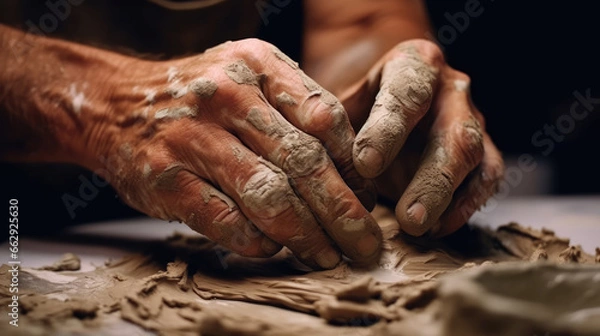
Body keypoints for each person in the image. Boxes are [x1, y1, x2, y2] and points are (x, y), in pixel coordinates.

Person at [0, 0, 504, 269]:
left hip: (250, 199)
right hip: (20, 223)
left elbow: (359, 22)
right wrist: (103, 105)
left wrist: (392, 105)